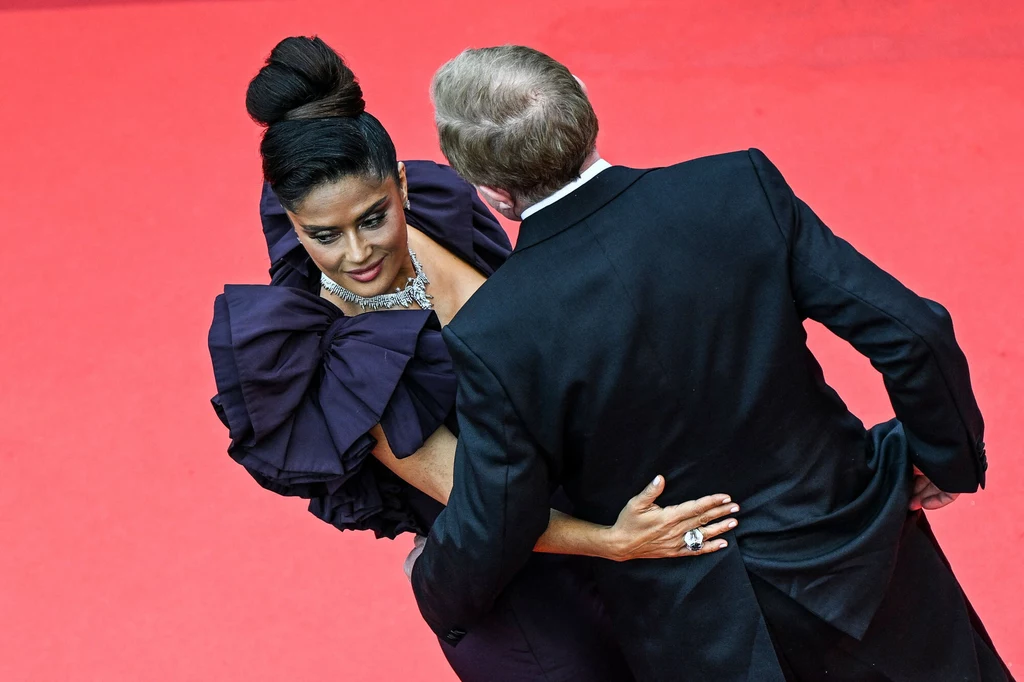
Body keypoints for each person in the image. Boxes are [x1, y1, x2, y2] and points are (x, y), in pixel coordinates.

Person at [410, 45, 1015, 682]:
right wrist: (945, 460)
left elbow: (502, 509)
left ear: (488, 191)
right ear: (584, 106)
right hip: (863, 558)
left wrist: (437, 586)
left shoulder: (495, 329)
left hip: (699, 631)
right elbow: (914, 333)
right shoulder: (736, 188)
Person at [207, 36, 740, 681]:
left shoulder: (440, 214)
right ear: (293, 227)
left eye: (373, 218)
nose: (357, 253)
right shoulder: (340, 362)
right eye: (324, 236)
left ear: (401, 185)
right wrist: (614, 542)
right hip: (516, 593)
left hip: (600, 517)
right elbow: (485, 508)